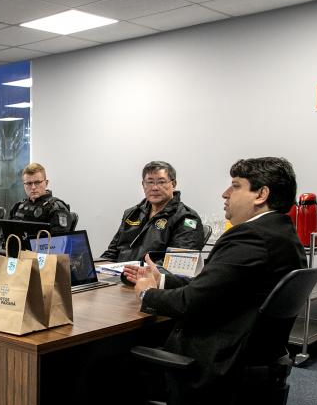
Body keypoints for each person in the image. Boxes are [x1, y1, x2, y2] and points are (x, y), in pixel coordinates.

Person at [130, 156, 306, 393]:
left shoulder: (249, 238)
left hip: (209, 368)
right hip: (249, 362)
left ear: (261, 194)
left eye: (235, 186)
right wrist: (161, 279)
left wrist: (146, 293)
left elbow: (188, 302)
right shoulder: (282, 234)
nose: (225, 194)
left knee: (106, 364)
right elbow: (215, 285)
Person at [101, 161, 205, 263]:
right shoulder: (132, 213)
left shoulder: (187, 218)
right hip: (120, 272)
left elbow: (178, 262)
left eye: (161, 182)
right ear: (143, 185)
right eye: (150, 182)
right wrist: (97, 268)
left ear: (173, 184)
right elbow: (111, 253)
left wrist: (142, 271)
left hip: (152, 273)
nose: (154, 188)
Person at [9, 162, 73, 234]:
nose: (33, 187)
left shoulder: (56, 208)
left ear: (46, 183)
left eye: (37, 182)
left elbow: (59, 240)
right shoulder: (17, 207)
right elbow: (5, 236)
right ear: (24, 185)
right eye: (29, 183)